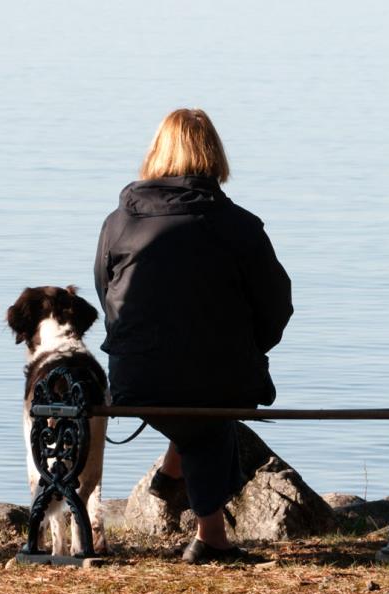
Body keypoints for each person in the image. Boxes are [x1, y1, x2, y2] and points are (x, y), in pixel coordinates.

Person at [93, 108, 293, 564]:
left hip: (135, 376)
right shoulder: (240, 226)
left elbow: (108, 296)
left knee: (194, 394)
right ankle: (208, 535)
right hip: (217, 376)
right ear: (214, 154)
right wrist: (250, 346)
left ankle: (174, 477)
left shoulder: (118, 223)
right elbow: (277, 305)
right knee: (207, 402)